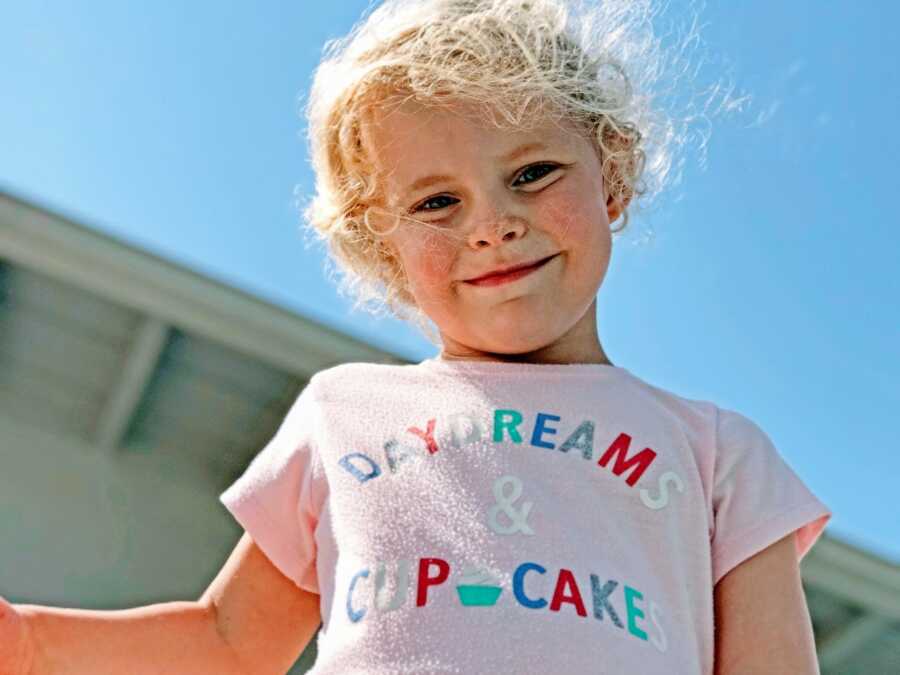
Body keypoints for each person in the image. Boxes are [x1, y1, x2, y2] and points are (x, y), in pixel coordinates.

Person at [1, 0, 832, 673]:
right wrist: (29, 642)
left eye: (532, 173)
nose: (493, 225)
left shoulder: (719, 454)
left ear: (610, 174)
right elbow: (226, 641)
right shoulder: (343, 410)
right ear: (382, 248)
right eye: (437, 203)